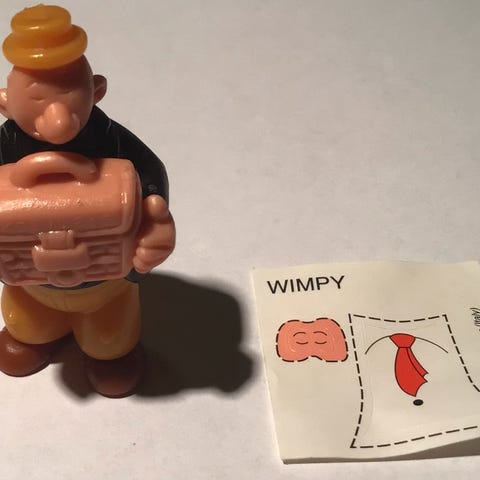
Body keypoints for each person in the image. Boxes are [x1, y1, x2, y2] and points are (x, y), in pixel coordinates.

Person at [0, 4, 175, 397]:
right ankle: (34, 336)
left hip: (104, 284)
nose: (58, 118)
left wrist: (152, 225)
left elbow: (150, 175)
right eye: (37, 98)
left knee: (109, 340)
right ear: (6, 102)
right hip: (30, 283)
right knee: (27, 325)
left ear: (96, 91)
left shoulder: (113, 142)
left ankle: (110, 355)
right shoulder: (4, 147)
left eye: (68, 93)